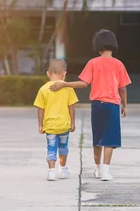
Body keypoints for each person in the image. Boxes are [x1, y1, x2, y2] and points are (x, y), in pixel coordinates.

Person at [50, 29, 131, 181]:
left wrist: (65, 84)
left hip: (97, 105)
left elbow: (83, 83)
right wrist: (124, 106)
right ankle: (106, 171)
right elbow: (123, 88)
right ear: (114, 45)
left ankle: (97, 168)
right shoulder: (119, 64)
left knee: (98, 138)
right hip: (112, 105)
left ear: (98, 45)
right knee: (110, 138)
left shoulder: (93, 63)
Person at [33, 59, 79, 181]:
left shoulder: (43, 89)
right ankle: (63, 169)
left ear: (48, 74)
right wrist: (73, 122)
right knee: (63, 147)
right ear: (64, 74)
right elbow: (72, 107)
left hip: (50, 126)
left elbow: (40, 109)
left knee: (51, 148)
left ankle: (51, 172)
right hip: (64, 125)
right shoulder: (68, 88)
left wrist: (40, 125)